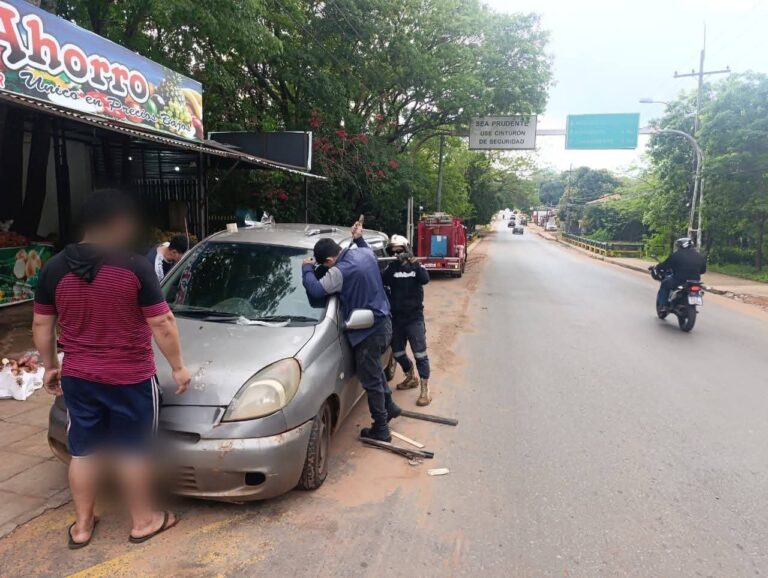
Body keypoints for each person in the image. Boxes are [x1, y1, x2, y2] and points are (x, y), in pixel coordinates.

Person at [32, 190, 191, 548]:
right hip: (130, 378)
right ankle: (144, 521)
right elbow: (162, 322)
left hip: (79, 377)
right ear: (119, 223)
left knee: (84, 451)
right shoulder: (133, 266)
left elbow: (41, 325)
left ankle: (83, 527)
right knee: (133, 450)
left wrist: (49, 367)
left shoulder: (54, 267)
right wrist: (178, 368)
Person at [302, 221, 400, 442]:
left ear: (329, 261)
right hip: (384, 323)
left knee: (371, 378)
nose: (327, 270)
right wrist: (358, 237)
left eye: (325, 267)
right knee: (374, 369)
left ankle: (381, 429)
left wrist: (307, 269)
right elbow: (364, 247)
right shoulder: (364, 253)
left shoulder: (339, 271)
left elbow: (316, 290)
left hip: (369, 331)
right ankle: (390, 406)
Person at [381, 234, 432, 406]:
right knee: (397, 352)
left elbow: (425, 279)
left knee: (420, 354)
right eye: (393, 251)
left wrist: (414, 263)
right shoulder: (391, 268)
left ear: (406, 249)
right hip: (397, 319)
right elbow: (380, 279)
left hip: (414, 318)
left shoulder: (416, 266)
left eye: (399, 251)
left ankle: (425, 390)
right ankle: (410, 376)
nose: (396, 254)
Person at [655, 237, 707, 309]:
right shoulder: (699, 256)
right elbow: (703, 270)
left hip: (679, 280)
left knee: (664, 284)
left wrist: (658, 267)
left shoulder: (676, 255)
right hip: (695, 281)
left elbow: (665, 265)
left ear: (682, 246)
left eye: (678, 245)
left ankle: (663, 305)